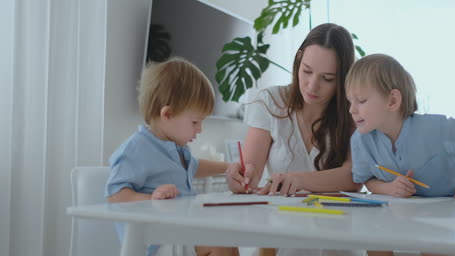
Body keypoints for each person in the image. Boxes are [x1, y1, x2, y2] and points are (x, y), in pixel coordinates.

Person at [226, 23, 363, 256]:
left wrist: (297, 180)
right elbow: (252, 170)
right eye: (307, 71)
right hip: (280, 240)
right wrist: (240, 177)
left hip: (337, 242)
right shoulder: (269, 101)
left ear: (342, 79)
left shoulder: (353, 111)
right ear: (299, 59)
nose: (312, 86)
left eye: (327, 78)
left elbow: (352, 177)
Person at [105, 57, 239, 256]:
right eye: (195, 122)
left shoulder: (176, 148)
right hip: (156, 242)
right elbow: (115, 197)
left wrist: (228, 167)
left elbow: (194, 166)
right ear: (167, 114)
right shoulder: (137, 149)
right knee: (219, 245)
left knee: (228, 241)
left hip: (179, 232)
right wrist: (151, 198)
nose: (200, 129)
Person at [346, 53, 455, 256]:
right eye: (350, 101)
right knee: (374, 238)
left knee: (434, 246)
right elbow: (367, 179)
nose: (351, 109)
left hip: (445, 213)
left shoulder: (436, 128)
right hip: (396, 213)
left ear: (392, 101)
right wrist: (388, 188)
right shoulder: (361, 140)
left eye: (361, 100)